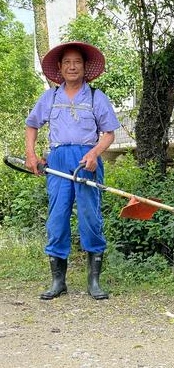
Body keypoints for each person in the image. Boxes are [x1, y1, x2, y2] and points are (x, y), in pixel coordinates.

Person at [25, 41, 120, 301]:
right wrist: (31, 154)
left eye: (77, 62)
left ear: (85, 67)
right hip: (57, 161)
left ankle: (94, 282)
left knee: (90, 217)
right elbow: (32, 125)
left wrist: (94, 154)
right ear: (60, 67)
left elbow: (109, 134)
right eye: (67, 62)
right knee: (57, 218)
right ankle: (58, 281)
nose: (72, 66)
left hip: (86, 161)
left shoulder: (95, 97)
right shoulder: (50, 97)